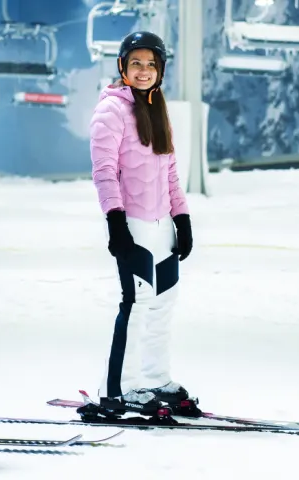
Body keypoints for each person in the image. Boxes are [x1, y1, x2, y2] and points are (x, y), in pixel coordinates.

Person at [89, 31, 196, 416]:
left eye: (151, 64)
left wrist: (181, 219)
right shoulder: (111, 111)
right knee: (136, 305)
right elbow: (103, 171)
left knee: (164, 305)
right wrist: (115, 222)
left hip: (161, 225)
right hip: (132, 222)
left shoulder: (156, 109)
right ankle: (118, 389)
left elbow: (170, 172)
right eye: (136, 63)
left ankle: (154, 378)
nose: (144, 71)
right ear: (122, 67)